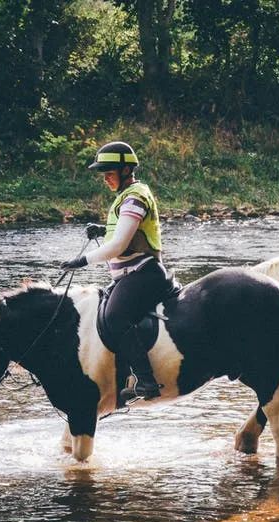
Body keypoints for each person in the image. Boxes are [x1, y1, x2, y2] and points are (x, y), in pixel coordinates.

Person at [60, 141, 174, 401]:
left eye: (109, 173)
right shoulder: (127, 196)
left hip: (144, 274)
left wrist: (82, 261)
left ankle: (146, 381)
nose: (105, 179)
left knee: (115, 317)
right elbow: (124, 231)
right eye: (104, 174)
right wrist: (102, 229)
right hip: (131, 274)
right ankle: (119, 378)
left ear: (125, 170)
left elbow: (120, 245)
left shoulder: (135, 196)